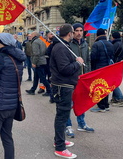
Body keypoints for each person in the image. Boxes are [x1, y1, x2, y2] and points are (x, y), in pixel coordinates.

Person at [50, 24, 83, 159]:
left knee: (62, 115)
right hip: (63, 86)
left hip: (64, 85)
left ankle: (59, 140)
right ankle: (60, 147)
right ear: (69, 34)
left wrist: (74, 61)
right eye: (73, 32)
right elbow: (64, 69)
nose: (76, 34)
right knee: (62, 116)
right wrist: (78, 63)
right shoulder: (60, 48)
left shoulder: (62, 46)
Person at [66, 23, 94, 139]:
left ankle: (81, 123)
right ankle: (67, 126)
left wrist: (89, 74)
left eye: (80, 31)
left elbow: (88, 61)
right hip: (72, 79)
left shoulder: (85, 44)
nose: (78, 33)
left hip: (83, 79)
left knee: (81, 102)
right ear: (72, 33)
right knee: (69, 103)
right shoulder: (68, 45)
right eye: (76, 31)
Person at [90, 28, 114, 113]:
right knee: (106, 86)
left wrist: (92, 68)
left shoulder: (96, 44)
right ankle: (106, 105)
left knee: (99, 87)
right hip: (108, 68)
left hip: (99, 68)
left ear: (97, 35)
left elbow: (93, 58)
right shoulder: (110, 44)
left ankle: (101, 106)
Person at [25, 31, 51, 97]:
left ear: (34, 35)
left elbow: (36, 53)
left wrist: (34, 62)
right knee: (36, 77)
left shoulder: (35, 42)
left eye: (31, 34)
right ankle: (33, 89)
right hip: (42, 60)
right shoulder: (41, 41)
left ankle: (49, 90)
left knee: (42, 78)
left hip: (39, 62)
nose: (30, 35)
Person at [110, 32, 123, 106]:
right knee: (114, 81)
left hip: (114, 64)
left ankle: (120, 98)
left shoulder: (116, 44)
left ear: (114, 37)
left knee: (113, 82)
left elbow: (112, 54)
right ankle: (115, 98)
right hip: (117, 63)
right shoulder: (120, 43)